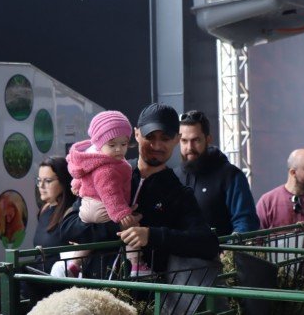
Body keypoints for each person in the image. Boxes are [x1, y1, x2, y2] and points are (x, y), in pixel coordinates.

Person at [61, 103, 219, 276]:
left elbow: (207, 243)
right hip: (95, 290)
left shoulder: (178, 193)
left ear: (176, 139)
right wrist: (116, 227)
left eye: (165, 138)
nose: (157, 145)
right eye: (150, 137)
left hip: (144, 298)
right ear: (136, 134)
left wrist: (151, 235)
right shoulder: (107, 172)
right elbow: (68, 228)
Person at [66, 110, 146, 276]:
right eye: (112, 145)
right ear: (99, 143)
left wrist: (76, 184)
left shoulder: (93, 158)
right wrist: (121, 215)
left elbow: (83, 173)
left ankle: (75, 262)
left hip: (86, 209)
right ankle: (137, 264)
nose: (118, 149)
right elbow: (110, 193)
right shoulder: (108, 168)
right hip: (101, 207)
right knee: (131, 228)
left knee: (91, 241)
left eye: (123, 144)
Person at [174, 110, 259, 236]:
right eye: (184, 141)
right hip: (178, 255)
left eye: (196, 140)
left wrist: (228, 254)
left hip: (219, 255)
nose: (189, 147)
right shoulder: (173, 177)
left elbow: (245, 223)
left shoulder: (230, 176)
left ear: (208, 139)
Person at [32, 157, 76, 273]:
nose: (41, 186)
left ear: (63, 181)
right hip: (39, 280)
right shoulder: (44, 209)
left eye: (47, 181)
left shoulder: (71, 214)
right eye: (39, 180)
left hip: (60, 285)